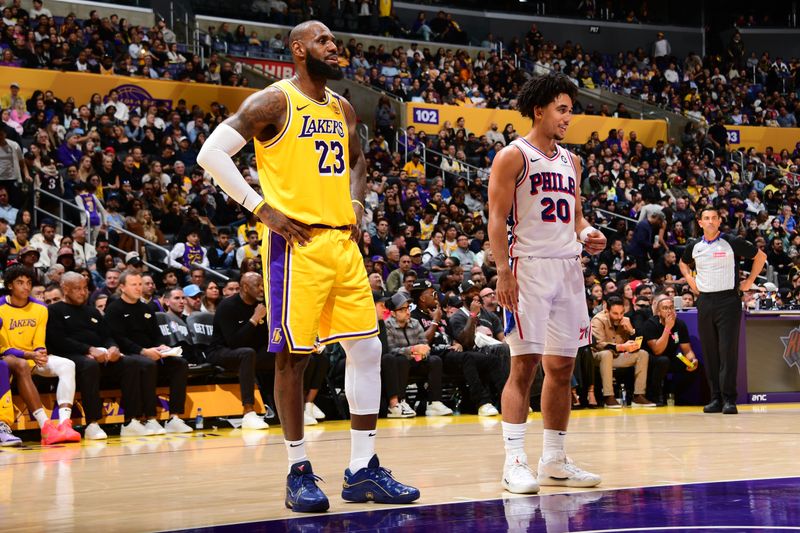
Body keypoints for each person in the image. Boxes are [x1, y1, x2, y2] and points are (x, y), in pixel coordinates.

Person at [197, 20, 418, 512]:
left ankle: (363, 470)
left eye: (335, 41)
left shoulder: (341, 107)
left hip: (342, 241)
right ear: (298, 50)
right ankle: (297, 470)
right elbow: (210, 153)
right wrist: (261, 208)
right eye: (323, 41)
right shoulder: (273, 101)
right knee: (294, 359)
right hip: (295, 245)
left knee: (367, 350)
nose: (334, 47)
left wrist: (357, 206)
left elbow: (358, 161)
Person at [487, 74, 606, 494]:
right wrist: (503, 270)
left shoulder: (572, 162)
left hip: (569, 269)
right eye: (561, 109)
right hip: (528, 269)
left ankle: (554, 460)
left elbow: (575, 219)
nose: (568, 117)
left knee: (563, 366)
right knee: (525, 365)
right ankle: (514, 461)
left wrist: (590, 233)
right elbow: (497, 220)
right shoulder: (512, 156)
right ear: (539, 109)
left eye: (570, 110)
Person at [679, 206, 767, 414]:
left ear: (719, 221)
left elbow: (760, 257)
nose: (710, 222)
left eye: (714, 218)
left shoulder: (732, 241)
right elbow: (683, 264)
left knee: (727, 351)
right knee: (710, 352)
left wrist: (749, 282)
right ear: (700, 223)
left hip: (728, 301)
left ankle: (729, 399)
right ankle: (715, 398)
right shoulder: (694, 246)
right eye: (706, 218)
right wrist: (691, 281)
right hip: (705, 301)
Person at [45, 272, 144, 440]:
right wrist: (88, 349)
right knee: (88, 365)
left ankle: (131, 421)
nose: (83, 292)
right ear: (65, 289)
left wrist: (112, 348)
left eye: (85, 288)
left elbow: (107, 335)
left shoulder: (92, 311)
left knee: (131, 363)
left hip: (99, 355)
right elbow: (58, 341)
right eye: (77, 288)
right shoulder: (54, 311)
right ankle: (92, 423)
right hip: (70, 357)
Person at [104, 271, 193, 435]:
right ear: (122, 287)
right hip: (128, 355)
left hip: (150, 352)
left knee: (180, 363)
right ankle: (148, 418)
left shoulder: (146, 308)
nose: (138, 288)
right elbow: (118, 338)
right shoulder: (114, 309)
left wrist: (161, 346)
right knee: (147, 364)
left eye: (140, 284)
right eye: (134, 285)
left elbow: (156, 334)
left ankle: (174, 417)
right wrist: (143, 351)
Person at [0, 265, 81, 444]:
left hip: (32, 358)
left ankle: (64, 424)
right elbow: (3, 348)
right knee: (19, 364)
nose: (26, 287)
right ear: (10, 285)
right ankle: (45, 426)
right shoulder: (0, 307)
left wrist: (40, 352)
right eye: (20, 282)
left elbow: (38, 341)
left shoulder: (41, 308)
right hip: (10, 358)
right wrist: (29, 355)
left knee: (68, 365)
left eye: (29, 282)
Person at [206, 272, 274, 429]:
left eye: (262, 285)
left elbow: (265, 338)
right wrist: (254, 319)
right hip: (221, 351)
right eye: (257, 285)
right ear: (244, 287)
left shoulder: (263, 305)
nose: (262, 289)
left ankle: (300, 406)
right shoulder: (228, 306)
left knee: (284, 353)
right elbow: (234, 342)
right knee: (247, 353)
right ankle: (248, 412)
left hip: (251, 353)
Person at [590, 296, 655, 408]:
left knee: (643, 354)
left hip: (616, 356)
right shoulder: (598, 320)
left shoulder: (625, 321)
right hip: (598, 356)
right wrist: (622, 347)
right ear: (607, 311)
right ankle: (608, 397)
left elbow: (637, 346)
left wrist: (631, 331)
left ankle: (638, 396)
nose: (619, 317)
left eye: (621, 313)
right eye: (615, 313)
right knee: (607, 354)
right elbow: (599, 345)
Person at [642, 294, 699, 405]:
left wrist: (692, 360)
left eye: (671, 307)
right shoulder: (650, 324)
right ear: (658, 312)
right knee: (663, 361)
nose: (669, 311)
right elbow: (657, 351)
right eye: (665, 308)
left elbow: (686, 349)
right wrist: (667, 328)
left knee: (693, 367)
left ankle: (672, 394)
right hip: (652, 359)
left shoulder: (680, 324)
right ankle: (655, 396)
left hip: (671, 356)